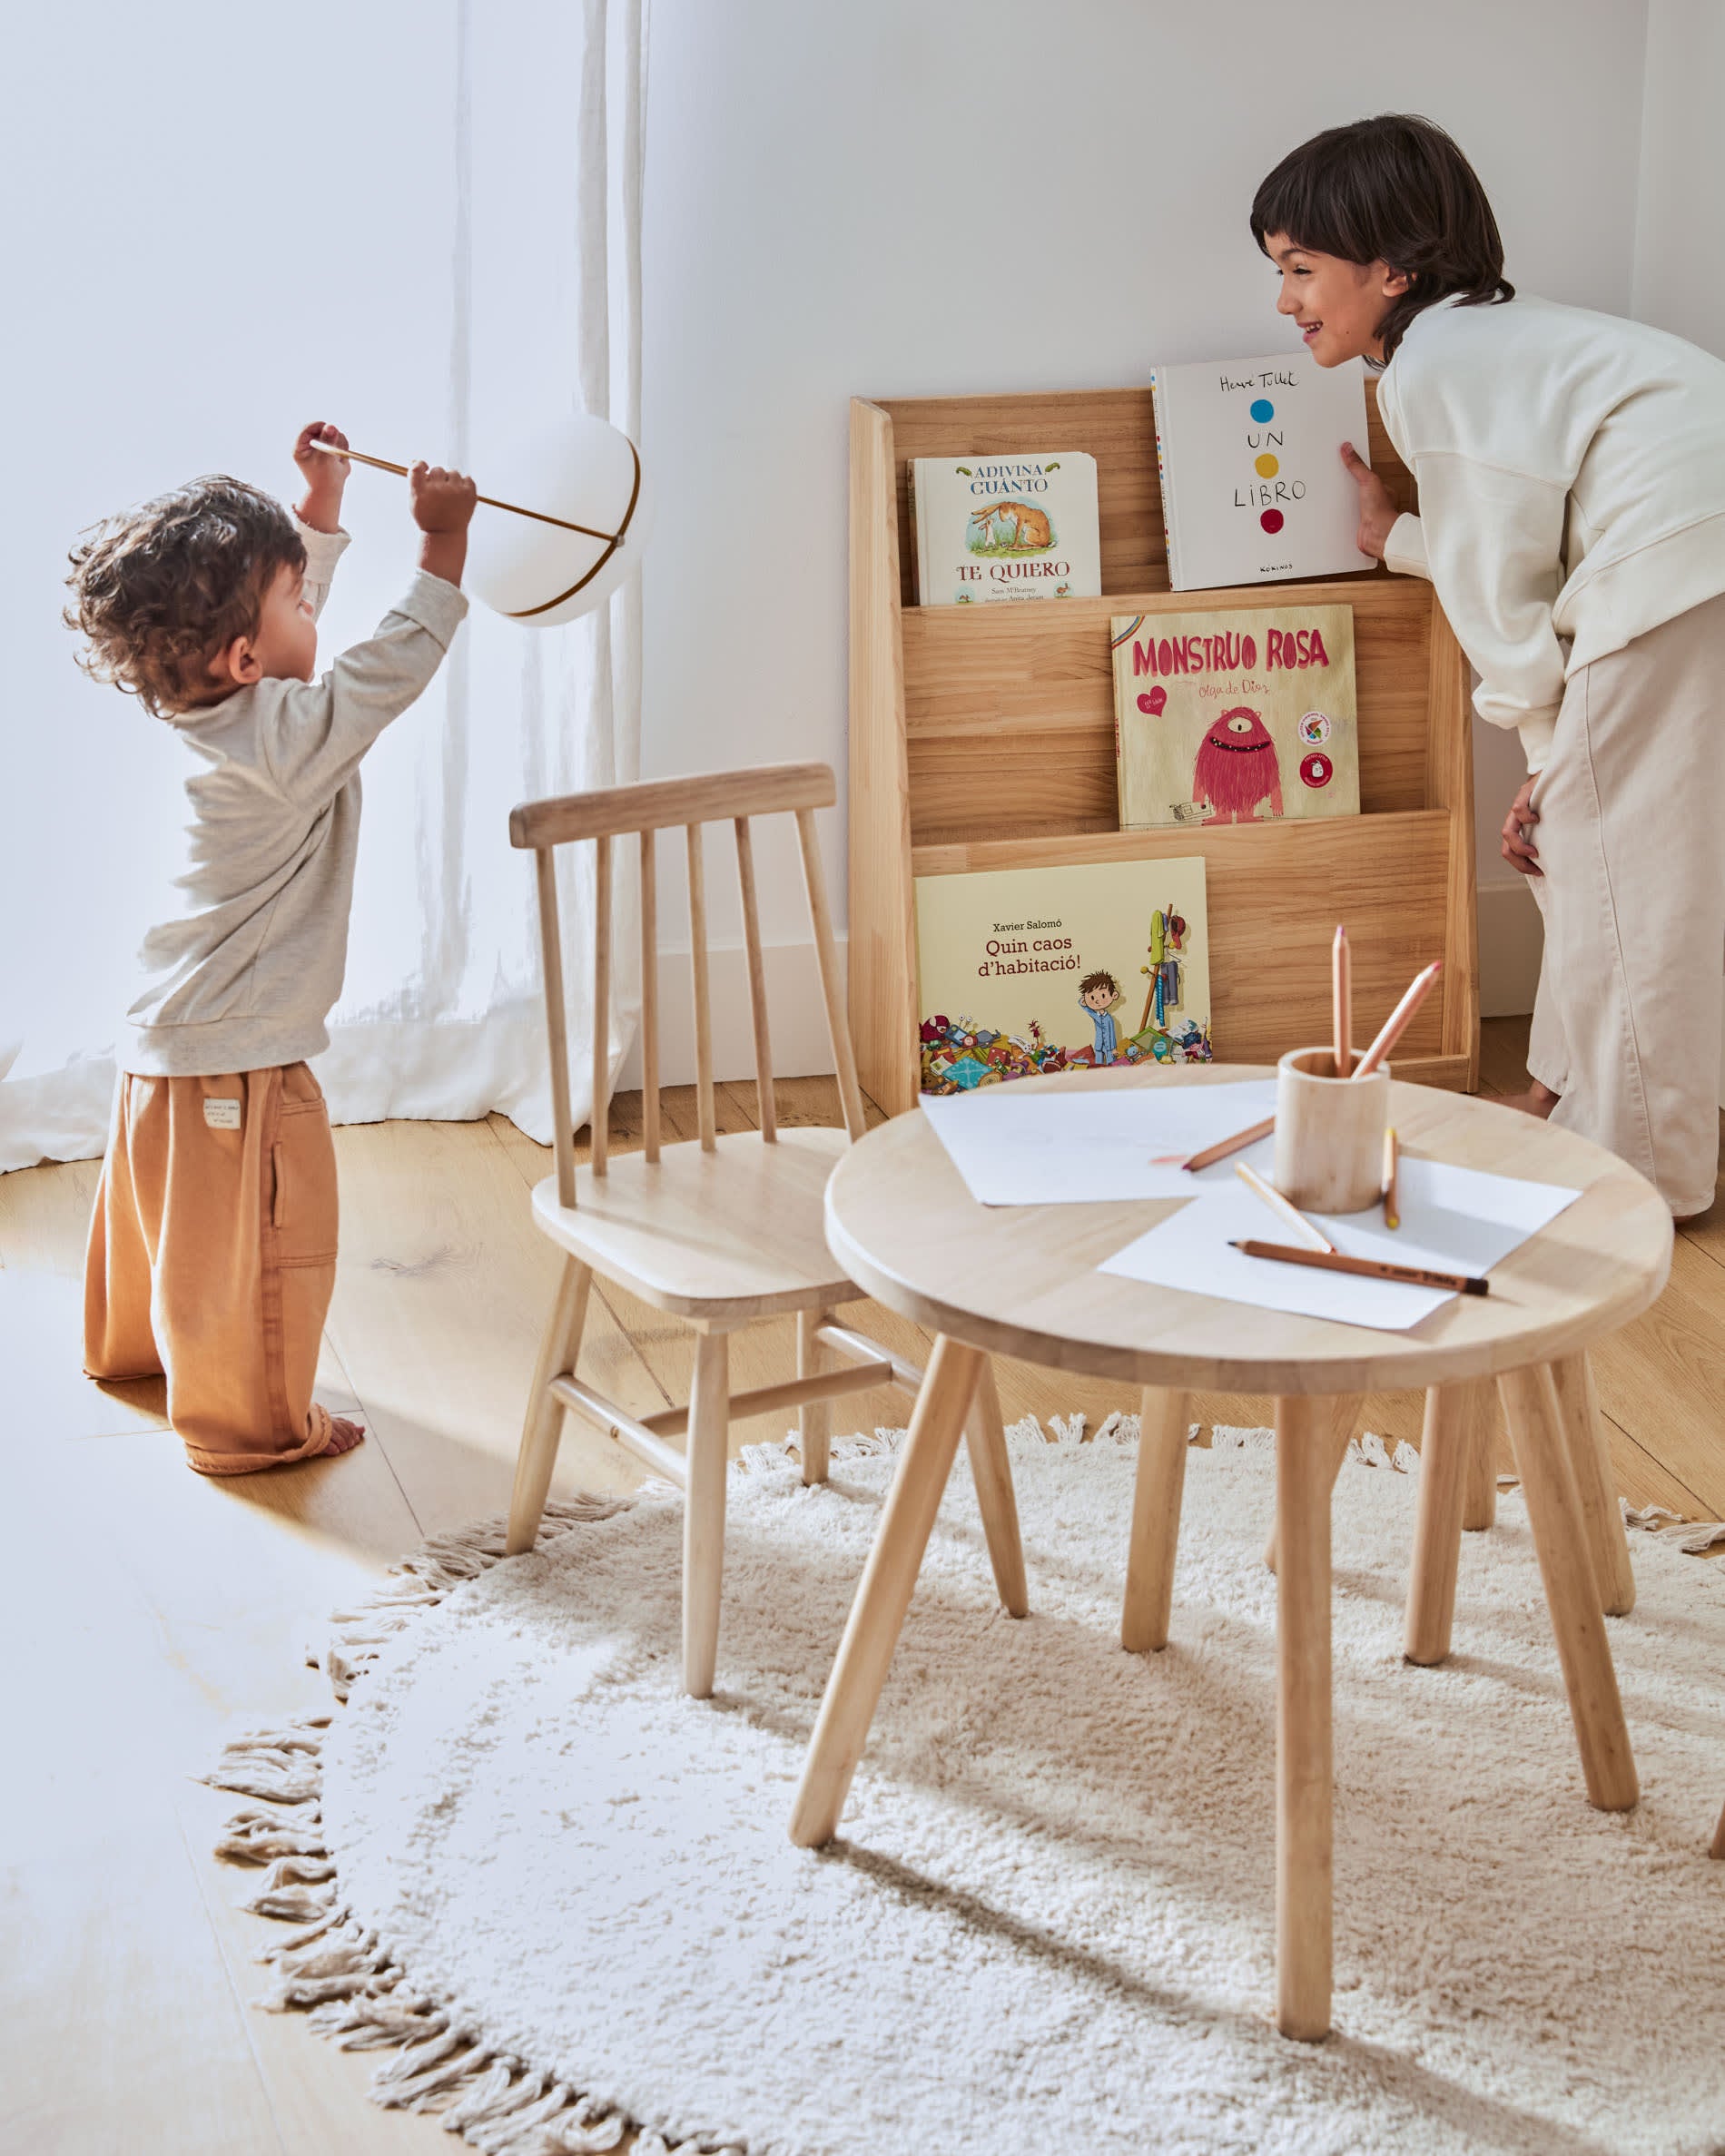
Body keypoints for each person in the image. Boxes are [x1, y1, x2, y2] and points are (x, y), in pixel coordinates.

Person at [1252, 113, 1725, 1219]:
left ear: (1394, 266)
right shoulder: (1506, 340)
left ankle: (1642, 1174)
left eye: (1300, 269)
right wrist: (1395, 538)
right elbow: (1507, 533)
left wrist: (1549, 756)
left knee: (1623, 880)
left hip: (1670, 570)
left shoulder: (1437, 366)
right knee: (1611, 857)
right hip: (1688, 556)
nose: (1285, 301)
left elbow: (1501, 595)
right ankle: (1566, 1096)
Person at [65, 424, 478, 1471]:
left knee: (171, 1224)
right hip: (237, 1061)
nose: (312, 617)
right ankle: (254, 1427)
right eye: (300, 600)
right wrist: (440, 546)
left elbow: (278, 629)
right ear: (246, 658)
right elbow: (383, 673)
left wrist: (320, 517)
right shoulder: (288, 739)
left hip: (165, 1034)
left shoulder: (221, 712)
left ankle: (133, 1351)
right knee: (264, 1250)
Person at [1078, 970, 1122, 1066]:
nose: (1097, 1001)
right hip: (1098, 1045)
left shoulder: (1109, 1018)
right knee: (1098, 1065)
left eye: (1102, 995)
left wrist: (1114, 1048)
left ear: (1114, 995)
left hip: (1109, 1047)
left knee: (1111, 1064)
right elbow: (1084, 1007)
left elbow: (1112, 1033)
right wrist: (1083, 1001)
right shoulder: (1095, 1016)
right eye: (1092, 998)